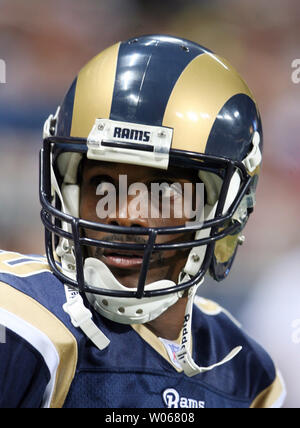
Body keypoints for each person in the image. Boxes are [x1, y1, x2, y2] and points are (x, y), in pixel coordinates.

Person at [0, 34, 285, 408]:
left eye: (163, 192)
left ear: (223, 206)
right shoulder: (21, 325)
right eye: (103, 184)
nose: (123, 213)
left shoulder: (247, 372)